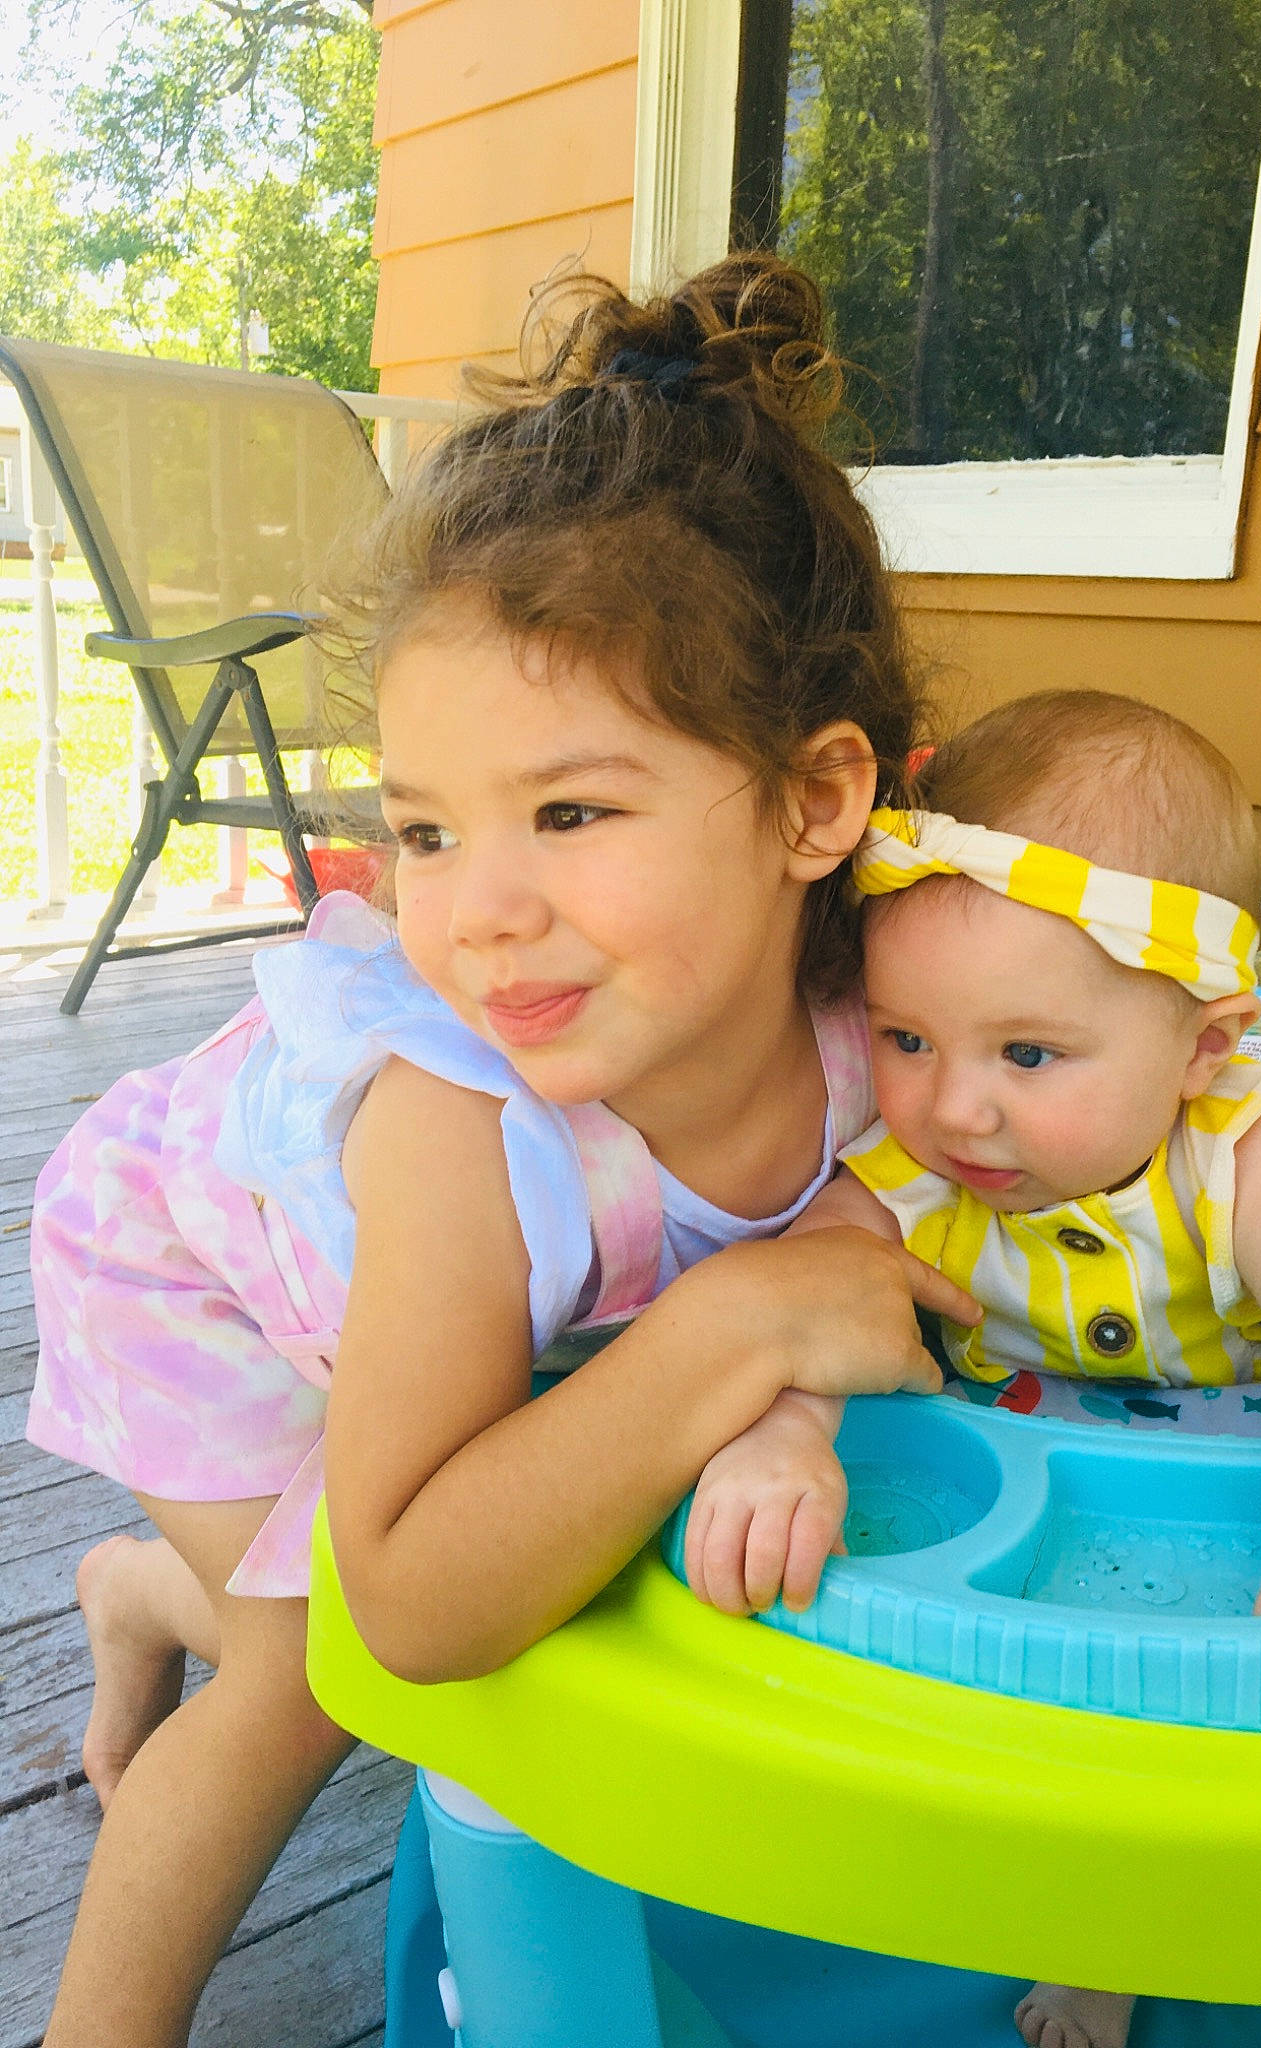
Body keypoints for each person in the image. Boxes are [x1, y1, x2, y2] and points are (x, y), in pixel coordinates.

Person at [25, 255, 969, 2048]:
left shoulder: (893, 1025)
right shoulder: (467, 1111)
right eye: (429, 832)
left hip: (435, 1314)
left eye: (570, 810)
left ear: (821, 802)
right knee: (318, 1663)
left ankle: (155, 1590)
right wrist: (744, 1328)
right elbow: (421, 1595)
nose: (480, 915)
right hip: (200, 1277)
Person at [683, 690, 1261, 2048]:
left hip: (1248, 1446)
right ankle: (1076, 1909)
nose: (953, 1106)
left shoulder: (1246, 1150)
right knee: (1025, 1713)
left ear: (1205, 1049)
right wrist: (786, 1433)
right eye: (907, 1038)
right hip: (1025, 1469)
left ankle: (1159, 1926)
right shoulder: (909, 1168)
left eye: (1029, 1054)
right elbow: (802, 1305)